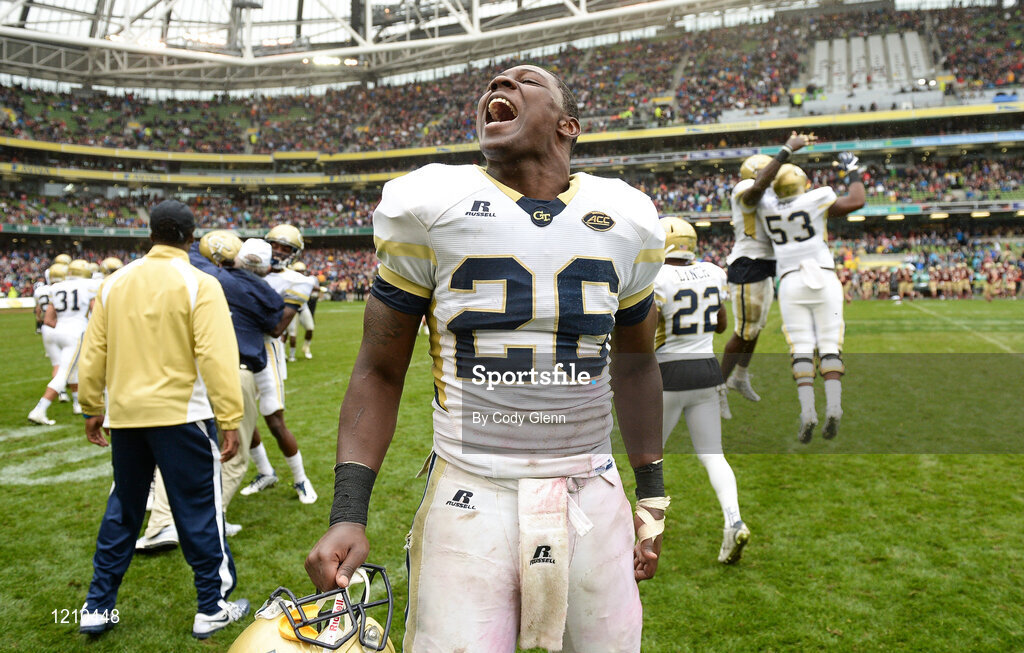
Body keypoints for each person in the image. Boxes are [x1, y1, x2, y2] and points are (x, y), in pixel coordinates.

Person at [305, 64, 669, 653]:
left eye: (525, 81)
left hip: (591, 483)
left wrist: (651, 492)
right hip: (472, 485)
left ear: (567, 124)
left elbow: (636, 364)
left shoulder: (625, 216)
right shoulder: (431, 204)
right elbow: (379, 368)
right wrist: (348, 511)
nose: (499, 85)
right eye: (493, 83)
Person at [76, 199, 250, 639]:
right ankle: (211, 605)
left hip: (128, 416)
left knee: (124, 509)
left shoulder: (115, 282)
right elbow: (216, 355)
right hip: (183, 416)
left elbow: (93, 350)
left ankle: (98, 605)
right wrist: (230, 416)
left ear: (150, 234)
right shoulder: (199, 282)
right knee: (198, 511)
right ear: (192, 238)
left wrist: (93, 405)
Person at [136, 232, 286, 552]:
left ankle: (162, 522)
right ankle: (209, 521)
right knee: (234, 455)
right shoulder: (253, 289)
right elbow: (276, 317)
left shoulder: (192, 273)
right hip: (234, 369)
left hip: (189, 371)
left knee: (179, 451)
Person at [744, 146, 865, 443]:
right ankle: (834, 406)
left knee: (800, 347)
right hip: (823, 277)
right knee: (830, 346)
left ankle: (808, 411)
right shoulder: (817, 198)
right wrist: (854, 171)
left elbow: (756, 191)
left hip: (790, 281)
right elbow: (857, 200)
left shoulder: (765, 205)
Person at [654, 217, 749, 564]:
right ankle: (733, 520)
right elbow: (722, 324)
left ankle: (637, 531)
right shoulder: (713, 271)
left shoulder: (658, 277)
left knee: (649, 456)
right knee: (713, 455)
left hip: (668, 371)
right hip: (707, 368)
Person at [238, 225, 318, 504]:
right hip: (237, 349)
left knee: (273, 417)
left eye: (287, 248)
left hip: (267, 351)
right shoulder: (242, 267)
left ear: (294, 254)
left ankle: (300, 479)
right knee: (241, 417)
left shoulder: (298, 280)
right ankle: (265, 472)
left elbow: (276, 327)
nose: (280, 252)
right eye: (276, 245)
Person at [27, 258, 98, 424]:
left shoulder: (57, 287)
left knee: (71, 369)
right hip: (76, 332)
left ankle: (77, 404)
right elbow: (95, 312)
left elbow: (48, 319)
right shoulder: (90, 285)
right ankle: (40, 409)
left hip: (57, 331)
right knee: (64, 373)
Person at [286, 260, 317, 361]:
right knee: (292, 334)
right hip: (292, 308)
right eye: (299, 271)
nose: (301, 273)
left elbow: (316, 287)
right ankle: (291, 355)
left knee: (310, 328)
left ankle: (306, 348)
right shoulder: (289, 281)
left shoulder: (306, 280)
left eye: (302, 271)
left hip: (303, 307)